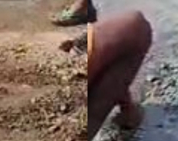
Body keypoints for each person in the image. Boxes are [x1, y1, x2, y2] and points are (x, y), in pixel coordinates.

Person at [61, 11, 153, 139]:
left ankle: (128, 116)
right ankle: (128, 116)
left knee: (100, 102)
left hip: (130, 34)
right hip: (127, 30)